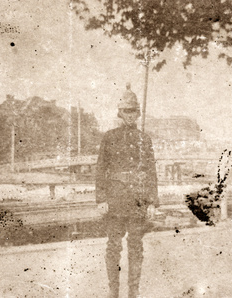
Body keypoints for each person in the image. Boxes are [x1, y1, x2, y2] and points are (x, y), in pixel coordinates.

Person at [96, 83, 159, 298]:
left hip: (137, 202)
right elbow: (100, 170)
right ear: (120, 113)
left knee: (135, 247)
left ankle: (133, 292)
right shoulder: (109, 137)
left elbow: (151, 172)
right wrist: (101, 199)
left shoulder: (145, 140)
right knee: (113, 247)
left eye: (134, 111)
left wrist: (152, 202)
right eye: (126, 111)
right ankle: (114, 292)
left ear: (138, 114)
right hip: (114, 201)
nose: (130, 115)